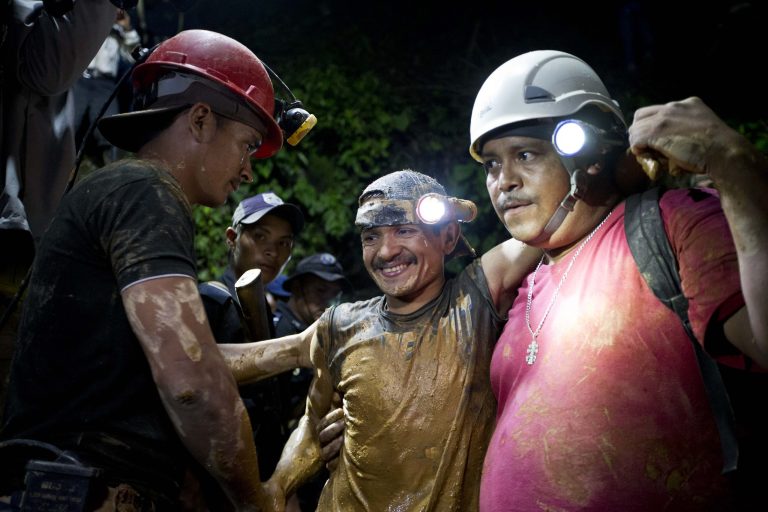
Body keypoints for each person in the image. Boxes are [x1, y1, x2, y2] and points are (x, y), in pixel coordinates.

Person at [0, 29, 312, 510]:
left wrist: (299, 347)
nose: (249, 170)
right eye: (248, 145)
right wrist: (256, 497)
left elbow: (189, 357)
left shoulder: (119, 189)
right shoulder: (147, 190)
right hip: (80, 487)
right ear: (202, 120)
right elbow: (191, 382)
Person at [468, 50, 768, 510]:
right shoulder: (524, 282)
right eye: (491, 164)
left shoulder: (670, 225)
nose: (502, 181)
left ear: (586, 154)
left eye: (524, 154)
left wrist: (734, 163)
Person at [255, 169, 540, 511]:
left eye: (405, 230)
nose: (386, 251)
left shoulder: (473, 301)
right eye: (371, 236)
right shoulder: (341, 324)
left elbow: (549, 219)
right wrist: (277, 485)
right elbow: (311, 427)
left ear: (448, 238)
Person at [273, 252, 348, 511]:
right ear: (297, 287)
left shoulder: (316, 333)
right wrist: (284, 486)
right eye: (319, 291)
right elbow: (270, 415)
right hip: (282, 464)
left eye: (333, 293)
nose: (327, 301)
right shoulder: (280, 332)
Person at [73, 8, 140, 167]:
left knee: (108, 127)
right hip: (80, 79)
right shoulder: (88, 16)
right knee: (69, 124)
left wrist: (127, 27)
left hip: (105, 84)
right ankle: (62, 167)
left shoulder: (119, 30)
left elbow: (134, 55)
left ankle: (111, 171)